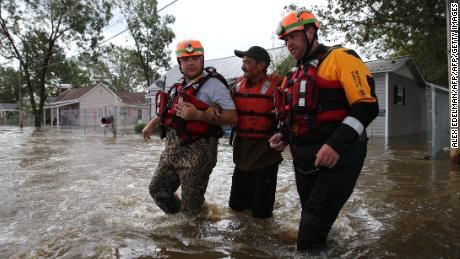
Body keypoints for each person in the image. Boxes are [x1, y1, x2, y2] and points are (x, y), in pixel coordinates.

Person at [268, 10, 379, 251]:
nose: (289, 44)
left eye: (293, 37)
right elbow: (296, 115)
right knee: (311, 218)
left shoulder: (342, 57)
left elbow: (367, 107)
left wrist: (335, 145)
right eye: (285, 40)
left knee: (311, 226)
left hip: (339, 156)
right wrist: (284, 135)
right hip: (305, 159)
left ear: (310, 32)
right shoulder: (293, 75)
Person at [143, 40, 237, 215]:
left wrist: (198, 115)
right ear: (179, 63)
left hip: (199, 152)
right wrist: (149, 126)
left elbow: (233, 117)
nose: (191, 63)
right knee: (158, 190)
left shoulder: (214, 84)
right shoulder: (179, 85)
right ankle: (181, 223)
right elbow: (167, 110)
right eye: (186, 59)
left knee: (190, 210)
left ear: (202, 60)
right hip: (173, 151)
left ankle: (193, 230)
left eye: (195, 58)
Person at [228, 46, 284, 219]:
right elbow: (221, 103)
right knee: (236, 209)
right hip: (242, 153)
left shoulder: (279, 85)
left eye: (247, 62)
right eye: (243, 62)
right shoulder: (237, 85)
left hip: (266, 154)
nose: (243, 66)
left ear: (261, 65)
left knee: (261, 214)